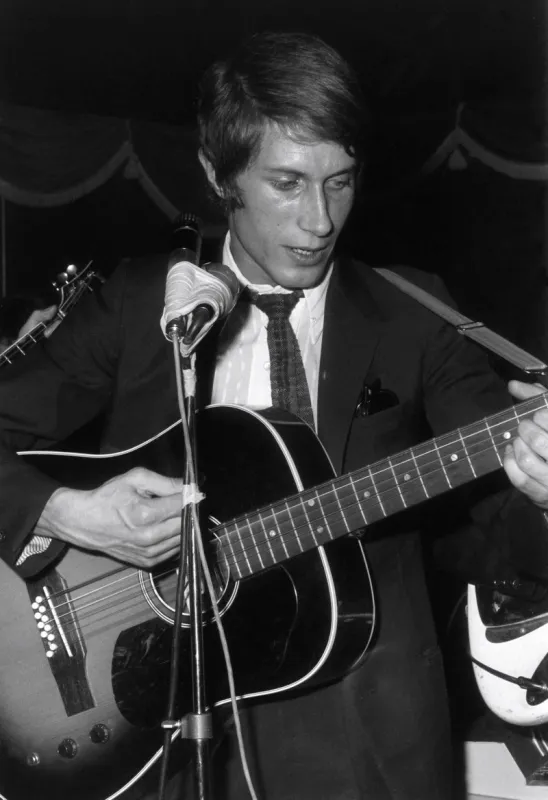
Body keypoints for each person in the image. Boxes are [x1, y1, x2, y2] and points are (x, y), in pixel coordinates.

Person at [0, 30, 547, 800]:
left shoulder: (416, 314)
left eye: (342, 182)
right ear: (216, 174)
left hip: (369, 738)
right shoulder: (135, 304)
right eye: (287, 183)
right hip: (163, 732)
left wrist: (542, 487)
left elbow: (500, 530)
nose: (320, 220)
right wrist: (64, 512)